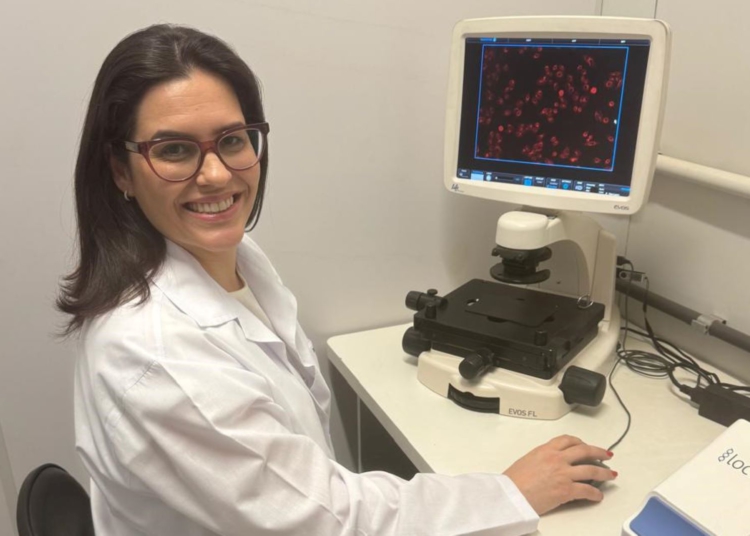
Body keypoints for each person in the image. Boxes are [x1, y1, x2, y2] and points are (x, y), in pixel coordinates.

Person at [58, 24, 616, 536]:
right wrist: (510, 493)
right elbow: (326, 520)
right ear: (119, 170)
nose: (216, 174)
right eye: (174, 150)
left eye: (232, 139)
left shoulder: (234, 257)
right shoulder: (153, 356)